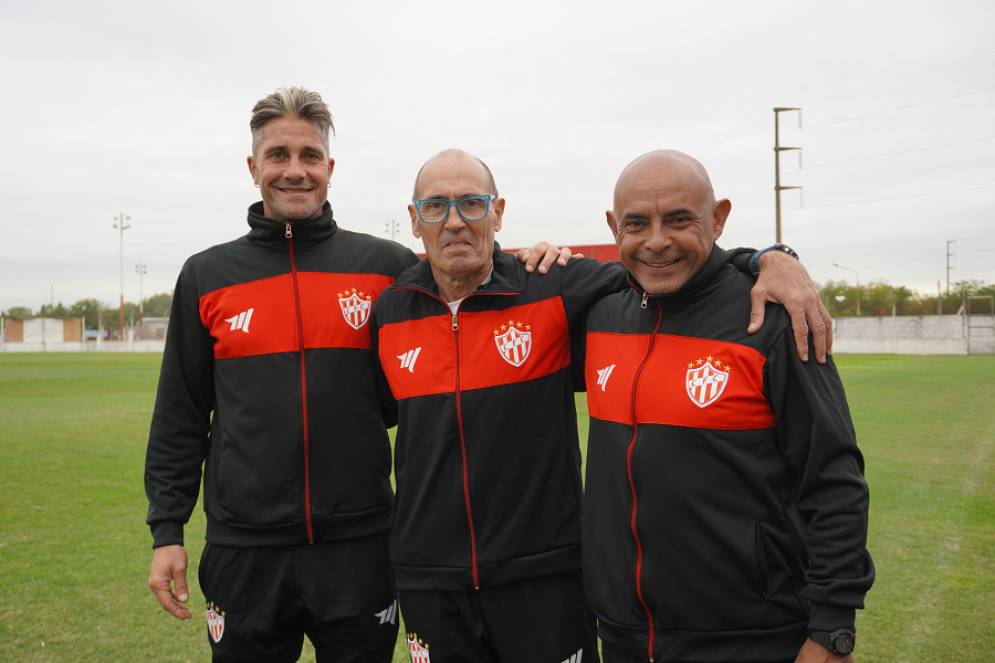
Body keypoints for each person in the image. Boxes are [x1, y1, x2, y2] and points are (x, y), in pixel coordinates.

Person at [142, 88, 567, 662]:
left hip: (361, 545)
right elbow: (181, 413)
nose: (295, 170)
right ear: (253, 168)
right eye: (278, 155)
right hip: (245, 547)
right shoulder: (207, 276)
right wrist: (168, 528)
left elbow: (469, 273)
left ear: (330, 168)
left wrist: (536, 258)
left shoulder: (385, 267)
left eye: (310, 156)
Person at [371, 149, 828, 661]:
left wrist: (768, 257)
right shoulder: (389, 311)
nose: (455, 221)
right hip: (430, 581)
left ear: (498, 212)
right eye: (435, 207)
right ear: (414, 221)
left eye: (472, 204)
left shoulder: (554, 285)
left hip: (545, 577)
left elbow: (671, 264)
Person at [582, 150, 874, 663]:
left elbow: (833, 477)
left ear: (718, 218)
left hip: (750, 637)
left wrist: (833, 625)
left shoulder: (773, 320)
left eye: (679, 219)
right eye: (636, 223)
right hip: (624, 636)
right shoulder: (602, 314)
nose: (656, 240)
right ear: (613, 227)